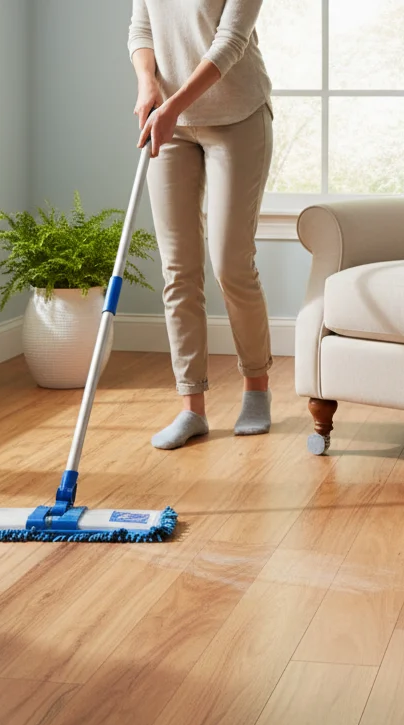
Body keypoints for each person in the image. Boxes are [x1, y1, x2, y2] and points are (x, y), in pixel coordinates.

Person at [129, 0, 275, 450]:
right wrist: (147, 84)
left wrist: (173, 105)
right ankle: (192, 407)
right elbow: (141, 29)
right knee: (178, 270)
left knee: (231, 264)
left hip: (238, 118)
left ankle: (256, 389)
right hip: (168, 123)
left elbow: (230, 42)